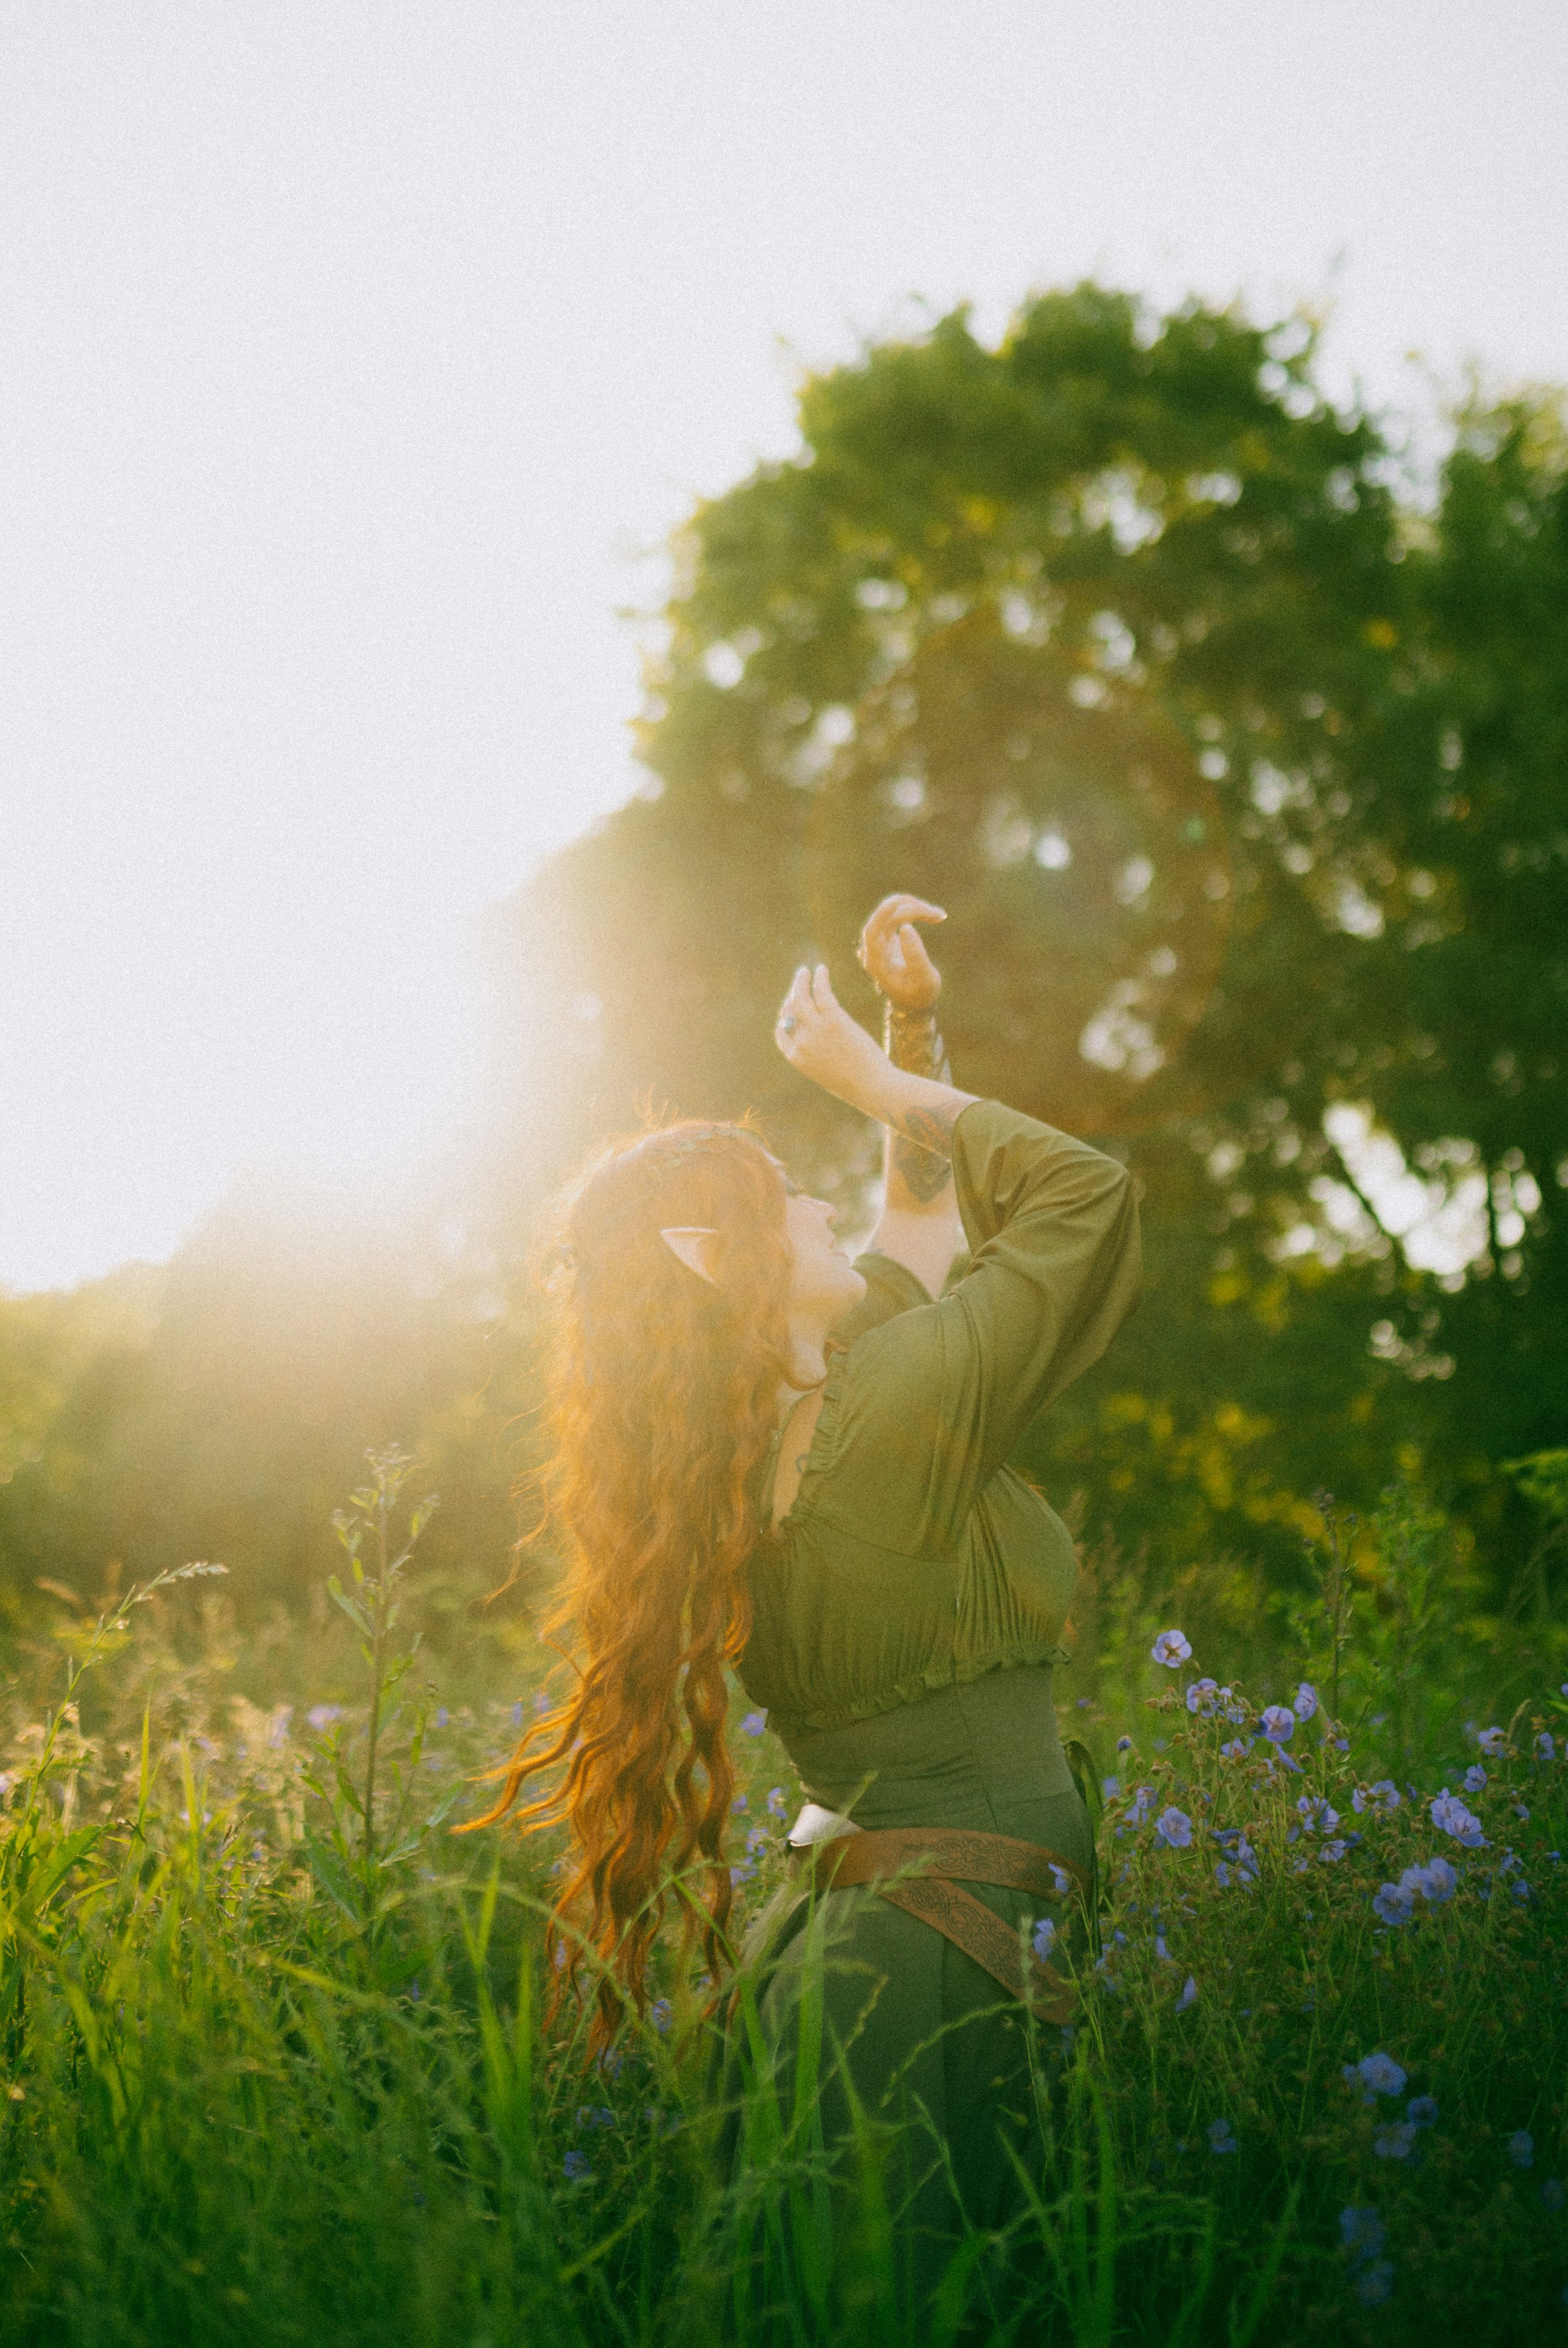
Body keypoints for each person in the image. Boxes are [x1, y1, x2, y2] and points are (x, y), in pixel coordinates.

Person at [473, 895, 1141, 2302]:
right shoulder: (882, 1418)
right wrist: (872, 1079)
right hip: (942, 1975)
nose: (823, 1198)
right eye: (785, 1199)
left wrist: (911, 1022)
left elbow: (911, 1231)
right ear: (728, 1270)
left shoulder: (766, 1447)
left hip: (877, 1959)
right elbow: (1088, 1196)